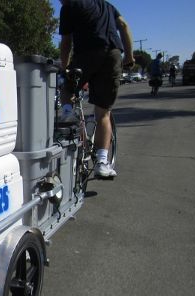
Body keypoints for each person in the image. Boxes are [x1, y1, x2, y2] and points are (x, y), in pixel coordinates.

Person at [58, 0, 135, 178]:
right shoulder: (107, 6)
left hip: (86, 53)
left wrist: (65, 68)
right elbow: (123, 25)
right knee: (103, 113)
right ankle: (102, 163)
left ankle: (68, 116)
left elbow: (66, 42)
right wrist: (129, 56)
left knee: (67, 89)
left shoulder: (69, 7)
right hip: (112, 55)